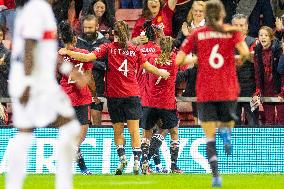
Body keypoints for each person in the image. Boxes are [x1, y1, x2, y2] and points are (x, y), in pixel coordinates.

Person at [59, 20, 170, 175]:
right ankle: (137, 163)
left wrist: (68, 52)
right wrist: (162, 72)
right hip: (132, 94)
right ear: (128, 33)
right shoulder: (134, 49)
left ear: (113, 34)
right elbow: (148, 67)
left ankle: (122, 158)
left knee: (118, 131)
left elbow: (88, 58)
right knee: (134, 131)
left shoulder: (108, 48)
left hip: (114, 96)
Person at [6, 0, 84, 189]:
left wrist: (68, 69)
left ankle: (12, 183)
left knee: (25, 134)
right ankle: (63, 184)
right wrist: (28, 83)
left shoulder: (37, 9)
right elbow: (29, 47)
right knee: (70, 127)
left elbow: (45, 51)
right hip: (34, 82)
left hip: (33, 80)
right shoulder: (37, 8)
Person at [176, 0, 249, 187]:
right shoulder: (231, 31)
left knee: (209, 136)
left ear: (206, 15)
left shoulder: (198, 33)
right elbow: (246, 53)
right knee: (228, 120)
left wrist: (198, 59)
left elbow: (178, 60)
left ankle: (216, 176)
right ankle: (227, 132)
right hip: (227, 87)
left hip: (206, 89)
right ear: (223, 14)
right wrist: (235, 60)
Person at [58, 21, 99, 175]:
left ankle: (78, 166)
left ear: (62, 39)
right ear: (75, 39)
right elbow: (89, 79)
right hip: (81, 98)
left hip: (65, 98)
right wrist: (94, 95)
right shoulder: (84, 55)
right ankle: (82, 168)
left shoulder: (59, 56)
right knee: (81, 133)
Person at [140, 36, 183, 174]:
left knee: (146, 134)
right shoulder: (175, 58)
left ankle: (144, 164)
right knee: (173, 131)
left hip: (149, 101)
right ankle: (173, 166)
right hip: (166, 102)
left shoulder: (151, 58)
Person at [76, 14, 110, 125]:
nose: (87, 30)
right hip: (79, 86)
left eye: (90, 28)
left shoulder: (105, 43)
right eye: (85, 28)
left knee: (96, 121)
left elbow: (108, 64)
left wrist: (89, 61)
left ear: (97, 26)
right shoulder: (77, 42)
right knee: (81, 122)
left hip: (98, 84)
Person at [231, 13, 259, 126]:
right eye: (236, 25)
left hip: (250, 88)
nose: (238, 28)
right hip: (232, 88)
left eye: (241, 25)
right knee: (234, 124)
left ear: (247, 26)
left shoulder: (253, 42)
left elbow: (255, 60)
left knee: (253, 122)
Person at [253, 26, 284, 124]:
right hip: (266, 90)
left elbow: (282, 73)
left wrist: (282, 91)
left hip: (279, 89)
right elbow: (257, 73)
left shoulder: (278, 51)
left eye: (266, 35)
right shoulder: (257, 52)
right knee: (269, 122)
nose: (263, 37)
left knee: (282, 121)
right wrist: (258, 90)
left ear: (271, 38)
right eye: (261, 35)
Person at [0, 26, 11, 99]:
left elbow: (9, 74)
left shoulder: (7, 53)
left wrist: (2, 65)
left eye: (0, 35)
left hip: (1, 93)